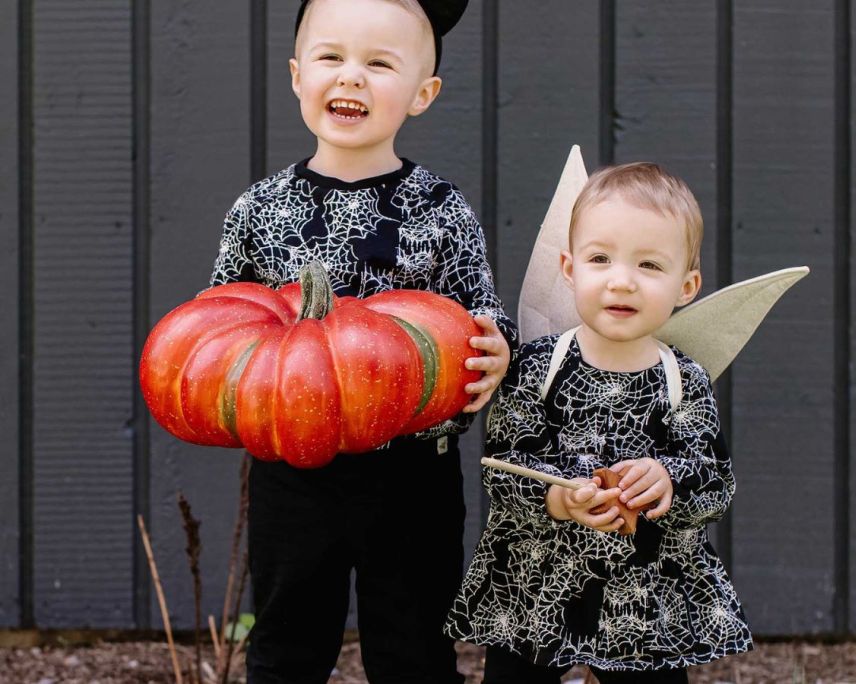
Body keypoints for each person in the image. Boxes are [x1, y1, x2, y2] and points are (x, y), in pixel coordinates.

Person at [210, 1, 516, 682]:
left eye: (379, 64)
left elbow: (481, 314)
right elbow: (223, 328)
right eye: (331, 58)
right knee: (288, 640)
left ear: (422, 94)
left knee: (414, 644)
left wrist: (497, 351)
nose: (351, 78)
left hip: (413, 469)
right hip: (293, 469)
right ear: (296, 76)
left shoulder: (441, 208)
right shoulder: (259, 209)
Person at [446, 162, 752, 683]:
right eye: (601, 258)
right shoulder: (538, 368)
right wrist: (559, 498)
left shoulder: (684, 379)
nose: (621, 280)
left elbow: (716, 481)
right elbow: (502, 467)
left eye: (650, 266)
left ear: (687, 285)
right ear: (569, 269)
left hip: (645, 591)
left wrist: (668, 481)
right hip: (538, 581)